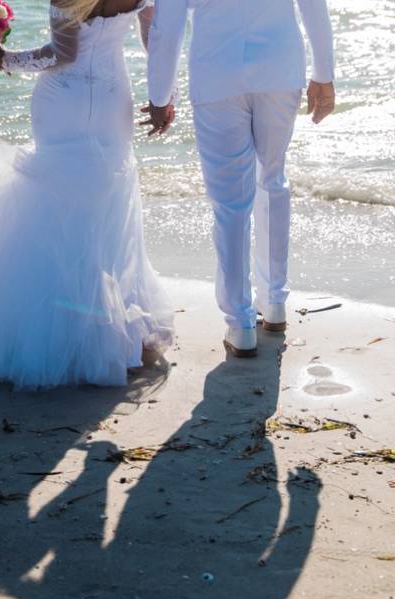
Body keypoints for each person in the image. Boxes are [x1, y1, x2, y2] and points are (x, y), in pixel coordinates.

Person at [0, 0, 173, 389]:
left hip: (61, 104)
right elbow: (155, 33)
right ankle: (115, 329)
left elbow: (61, 55)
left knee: (54, 200)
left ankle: (59, 330)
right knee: (108, 201)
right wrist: (162, 94)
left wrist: (4, 61)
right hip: (111, 97)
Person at [144, 0, 336, 357]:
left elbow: (166, 26)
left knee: (231, 203)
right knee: (273, 182)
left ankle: (240, 321)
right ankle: (275, 302)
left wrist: (159, 94)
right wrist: (323, 73)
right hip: (279, 68)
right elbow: (313, 5)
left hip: (217, 72)